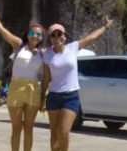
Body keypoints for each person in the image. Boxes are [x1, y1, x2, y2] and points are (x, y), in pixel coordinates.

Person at [41, 16, 113, 151]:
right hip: (54, 97)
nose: (57, 37)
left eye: (59, 34)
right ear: (50, 38)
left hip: (71, 97)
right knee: (54, 135)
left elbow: (91, 38)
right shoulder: (47, 55)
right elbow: (46, 78)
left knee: (64, 132)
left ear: (64, 36)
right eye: (53, 35)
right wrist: (41, 98)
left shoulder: (73, 47)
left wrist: (105, 27)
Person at [0, 0, 45, 151]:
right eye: (33, 33)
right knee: (16, 128)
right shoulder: (19, 45)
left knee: (29, 128)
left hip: (33, 90)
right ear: (28, 34)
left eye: (39, 34)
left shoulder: (44, 53)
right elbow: (2, 31)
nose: (35, 36)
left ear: (42, 37)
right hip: (16, 87)